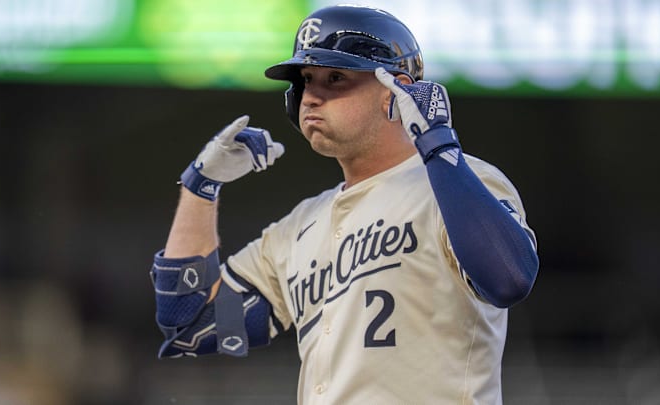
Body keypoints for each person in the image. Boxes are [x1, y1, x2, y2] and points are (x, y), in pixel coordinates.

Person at [150, 4, 539, 404]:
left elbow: (508, 279)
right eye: (306, 79)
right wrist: (200, 187)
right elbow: (192, 325)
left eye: (335, 77)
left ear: (396, 91)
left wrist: (439, 145)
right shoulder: (299, 227)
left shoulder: (460, 180)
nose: (311, 96)